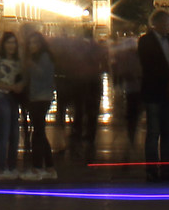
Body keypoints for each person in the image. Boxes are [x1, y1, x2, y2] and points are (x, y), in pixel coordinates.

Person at [136, 10, 169, 180]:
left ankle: (167, 168)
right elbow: (148, 65)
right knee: (153, 132)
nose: (168, 26)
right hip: (153, 91)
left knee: (168, 132)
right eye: (165, 23)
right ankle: (151, 169)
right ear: (154, 24)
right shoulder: (145, 41)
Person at [54, 23, 102, 163]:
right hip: (90, 81)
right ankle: (87, 136)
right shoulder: (96, 47)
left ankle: (77, 135)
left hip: (77, 82)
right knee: (88, 111)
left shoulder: (74, 47)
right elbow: (102, 64)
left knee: (78, 110)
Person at [21, 27, 58, 180]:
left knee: (38, 133)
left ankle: (38, 167)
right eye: (30, 43)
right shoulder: (37, 56)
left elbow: (44, 75)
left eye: (35, 42)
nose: (32, 45)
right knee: (39, 132)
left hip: (41, 98)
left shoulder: (44, 56)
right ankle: (49, 167)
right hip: (35, 97)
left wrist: (31, 65)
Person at [0, 30, 27, 177]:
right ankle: (1, 167)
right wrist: (12, 87)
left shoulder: (19, 60)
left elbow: (25, 76)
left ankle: (12, 166)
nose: (11, 46)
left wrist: (21, 85)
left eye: (14, 42)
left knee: (15, 134)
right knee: (5, 133)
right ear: (3, 44)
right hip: (2, 96)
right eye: (9, 42)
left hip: (15, 98)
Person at [109, 28, 143, 153]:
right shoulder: (138, 55)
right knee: (135, 111)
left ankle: (131, 133)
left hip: (132, 88)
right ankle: (132, 132)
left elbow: (120, 71)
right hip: (138, 88)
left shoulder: (124, 56)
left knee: (132, 111)